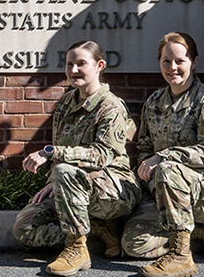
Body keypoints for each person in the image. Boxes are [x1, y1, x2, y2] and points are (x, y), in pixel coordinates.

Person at [12, 41, 139, 276]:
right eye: (69, 64)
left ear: (99, 65)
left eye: (81, 64)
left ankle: (76, 248)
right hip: (71, 183)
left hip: (115, 189)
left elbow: (101, 155)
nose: (73, 70)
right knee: (24, 229)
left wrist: (51, 154)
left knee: (63, 171)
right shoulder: (66, 102)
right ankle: (97, 231)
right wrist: (53, 181)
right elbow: (61, 149)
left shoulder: (110, 107)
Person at [123, 32, 204, 277]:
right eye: (166, 61)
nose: (172, 67)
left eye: (180, 61)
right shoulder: (154, 102)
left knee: (168, 168)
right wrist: (148, 174)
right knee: (134, 245)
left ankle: (181, 256)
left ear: (194, 62)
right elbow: (144, 148)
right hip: (165, 188)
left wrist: (164, 157)